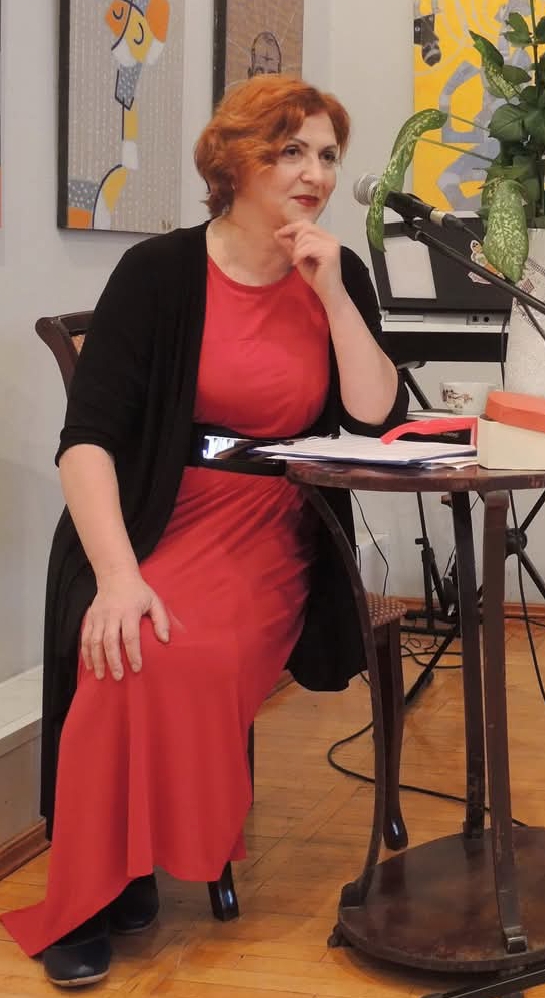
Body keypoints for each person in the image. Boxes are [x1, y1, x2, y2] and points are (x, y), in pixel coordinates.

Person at [1, 74, 408, 987]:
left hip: (271, 527)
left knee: (180, 648)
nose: (315, 173)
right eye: (291, 151)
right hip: (150, 514)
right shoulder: (158, 273)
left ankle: (132, 863)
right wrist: (117, 574)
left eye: (327, 155)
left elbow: (378, 415)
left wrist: (335, 296)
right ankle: (96, 885)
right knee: (122, 634)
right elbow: (87, 439)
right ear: (236, 161)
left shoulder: (337, 272)